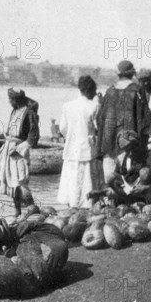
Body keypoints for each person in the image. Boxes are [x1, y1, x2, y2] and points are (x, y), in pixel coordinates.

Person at [96, 60, 151, 184]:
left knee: (111, 185)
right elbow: (145, 121)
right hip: (129, 148)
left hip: (109, 147)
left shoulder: (110, 91)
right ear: (132, 74)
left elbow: (100, 119)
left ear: (118, 74)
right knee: (129, 186)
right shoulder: (137, 90)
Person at [0, 88, 40, 221]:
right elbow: (12, 131)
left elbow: (33, 136)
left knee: (21, 181)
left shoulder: (29, 112)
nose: (9, 102)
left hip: (19, 152)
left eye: (10, 99)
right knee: (11, 182)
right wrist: (4, 135)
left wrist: (20, 148)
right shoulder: (14, 110)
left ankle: (32, 208)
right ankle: (17, 211)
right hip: (9, 150)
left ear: (15, 100)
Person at [57, 75, 101, 209]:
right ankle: (86, 205)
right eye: (94, 91)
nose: (95, 93)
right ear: (89, 91)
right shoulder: (94, 106)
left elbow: (62, 128)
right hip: (87, 148)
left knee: (72, 178)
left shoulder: (67, 106)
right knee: (87, 179)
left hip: (72, 147)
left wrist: (71, 137)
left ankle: (72, 205)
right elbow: (98, 127)